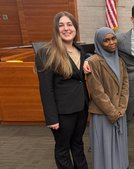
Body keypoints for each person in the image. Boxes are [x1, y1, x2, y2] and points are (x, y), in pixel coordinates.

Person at [83, 2, 134, 163]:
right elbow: (99, 48)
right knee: (124, 119)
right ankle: (119, 149)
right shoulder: (120, 38)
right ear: (132, 18)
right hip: (126, 88)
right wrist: (86, 60)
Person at [35, 11, 89, 169]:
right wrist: (52, 118)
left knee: (78, 144)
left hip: (81, 107)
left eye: (69, 24)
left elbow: (83, 69)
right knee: (63, 149)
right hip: (62, 113)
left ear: (75, 27)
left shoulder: (81, 51)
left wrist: (90, 59)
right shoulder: (46, 53)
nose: (66, 28)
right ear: (56, 29)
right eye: (61, 25)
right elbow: (46, 89)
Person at [86, 27, 129, 169]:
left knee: (118, 144)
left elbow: (125, 86)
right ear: (99, 43)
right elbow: (97, 92)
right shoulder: (93, 62)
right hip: (103, 113)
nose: (111, 42)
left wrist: (121, 108)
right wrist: (113, 113)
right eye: (106, 40)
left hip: (119, 112)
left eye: (113, 38)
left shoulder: (120, 60)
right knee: (105, 146)